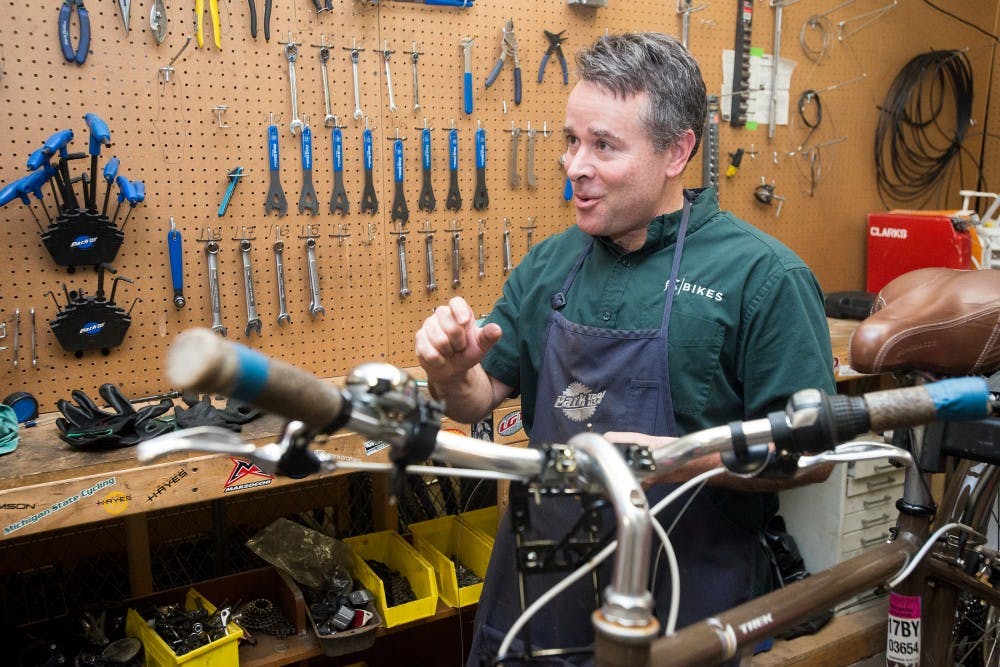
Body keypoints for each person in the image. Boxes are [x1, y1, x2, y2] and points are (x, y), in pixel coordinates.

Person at [415, 32, 835, 666]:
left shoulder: (762, 278)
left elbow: (813, 456)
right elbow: (479, 396)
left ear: (677, 151)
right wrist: (448, 373)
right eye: (571, 140)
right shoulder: (552, 262)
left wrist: (679, 458)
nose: (574, 165)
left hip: (679, 599)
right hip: (541, 588)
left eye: (604, 145)